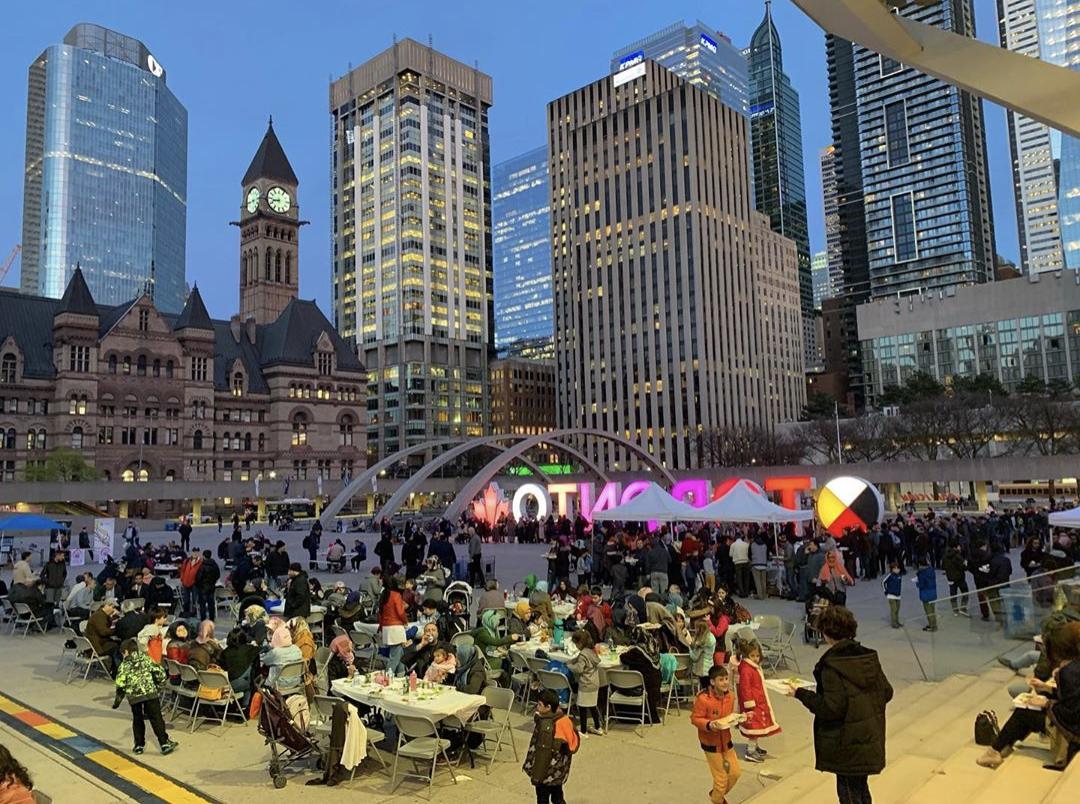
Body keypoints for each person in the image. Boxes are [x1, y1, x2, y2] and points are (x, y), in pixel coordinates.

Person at [785, 606, 893, 804]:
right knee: (861, 788)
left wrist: (800, 694)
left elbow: (831, 708)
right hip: (869, 736)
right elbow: (887, 692)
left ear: (826, 633)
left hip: (845, 742)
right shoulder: (867, 657)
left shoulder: (832, 665)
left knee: (849, 793)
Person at [979, 621, 1080, 770]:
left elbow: (1071, 713)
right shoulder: (1072, 668)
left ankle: (995, 750)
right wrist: (1047, 688)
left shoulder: (1069, 671)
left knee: (1023, 714)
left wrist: (1047, 703)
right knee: (1029, 709)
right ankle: (1001, 747)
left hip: (1074, 732)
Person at [112, 639, 178, 756]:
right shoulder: (146, 659)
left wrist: (119, 698)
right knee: (156, 718)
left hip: (134, 697)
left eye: (123, 653)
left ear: (126, 652)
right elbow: (160, 673)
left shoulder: (124, 665)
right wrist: (159, 687)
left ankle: (139, 745)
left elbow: (120, 682)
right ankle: (164, 743)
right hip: (150, 694)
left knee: (137, 719)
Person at [691, 664, 743, 804]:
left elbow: (729, 717)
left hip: (726, 741)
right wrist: (709, 725)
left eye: (726, 678)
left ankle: (716, 796)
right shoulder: (703, 699)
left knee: (735, 773)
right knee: (721, 779)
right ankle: (718, 800)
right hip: (710, 744)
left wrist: (740, 719)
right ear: (713, 682)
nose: (725, 682)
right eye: (721, 679)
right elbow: (695, 719)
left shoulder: (731, 697)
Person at [522, 688, 580, 804]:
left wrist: (537, 777)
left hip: (545, 772)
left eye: (539, 704)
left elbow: (543, 753)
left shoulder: (546, 726)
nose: (537, 707)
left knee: (542, 799)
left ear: (548, 708)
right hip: (558, 772)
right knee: (557, 796)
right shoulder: (565, 720)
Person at [735, 638, 781, 762]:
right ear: (746, 655)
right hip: (752, 704)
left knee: (758, 725)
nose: (755, 658)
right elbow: (745, 688)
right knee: (754, 727)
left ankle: (754, 747)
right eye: (752, 655)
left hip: (758, 701)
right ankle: (750, 751)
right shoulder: (746, 669)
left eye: (757, 655)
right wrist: (749, 703)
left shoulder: (752, 667)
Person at [566, 630, 604, 735]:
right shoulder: (591, 652)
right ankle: (598, 727)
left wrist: (569, 665)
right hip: (594, 683)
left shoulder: (583, 654)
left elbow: (579, 669)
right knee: (593, 706)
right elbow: (578, 658)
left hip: (585, 684)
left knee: (582, 707)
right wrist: (572, 661)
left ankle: (583, 731)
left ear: (579, 643)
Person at [377, 575, 409, 675]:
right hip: (396, 628)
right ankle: (387, 677)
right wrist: (405, 621)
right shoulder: (396, 595)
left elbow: (380, 614)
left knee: (399, 655)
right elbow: (400, 612)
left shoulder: (384, 595)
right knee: (395, 657)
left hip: (386, 628)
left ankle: (401, 676)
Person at [262, 625, 303, 691]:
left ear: (276, 638)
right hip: (296, 682)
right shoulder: (297, 649)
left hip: (279, 684)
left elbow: (264, 660)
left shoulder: (276, 652)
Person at [86, 601, 120, 673]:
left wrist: (112, 616)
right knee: (118, 646)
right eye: (113, 607)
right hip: (97, 647)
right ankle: (115, 670)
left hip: (94, 644)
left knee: (115, 643)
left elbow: (107, 625)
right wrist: (116, 630)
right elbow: (104, 632)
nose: (113, 610)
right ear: (107, 606)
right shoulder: (99, 616)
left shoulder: (101, 614)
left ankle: (113, 668)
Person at [942, 540, 969, 617]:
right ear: (956, 547)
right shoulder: (958, 556)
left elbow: (943, 566)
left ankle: (955, 610)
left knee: (953, 594)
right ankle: (963, 608)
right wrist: (965, 564)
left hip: (950, 578)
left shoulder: (945, 556)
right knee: (965, 592)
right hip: (960, 577)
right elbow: (963, 567)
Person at [689, 615, 717, 690]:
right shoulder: (711, 637)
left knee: (705, 689)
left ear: (700, 629)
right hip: (709, 666)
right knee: (710, 688)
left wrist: (689, 649)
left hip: (702, 668)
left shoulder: (702, 642)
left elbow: (694, 657)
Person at [915, 559, 938, 632]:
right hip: (933, 592)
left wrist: (917, 583)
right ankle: (933, 624)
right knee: (932, 610)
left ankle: (932, 626)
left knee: (928, 611)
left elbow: (921, 584)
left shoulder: (922, 573)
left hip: (926, 593)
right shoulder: (931, 570)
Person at [178, 549, 202, 618]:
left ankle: (194, 613)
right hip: (186, 582)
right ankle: (186, 612)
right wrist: (182, 579)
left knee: (195, 599)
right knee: (186, 599)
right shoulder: (186, 561)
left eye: (196, 553)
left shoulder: (200, 562)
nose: (195, 554)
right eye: (193, 552)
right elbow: (182, 570)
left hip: (195, 583)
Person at [882, 563, 903, 629]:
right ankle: (894, 623)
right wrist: (885, 591)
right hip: (891, 595)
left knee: (897, 609)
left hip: (898, 595)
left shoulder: (900, 576)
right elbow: (883, 582)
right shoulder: (890, 575)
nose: (897, 570)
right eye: (895, 568)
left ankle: (897, 621)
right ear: (892, 569)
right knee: (894, 609)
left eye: (898, 568)